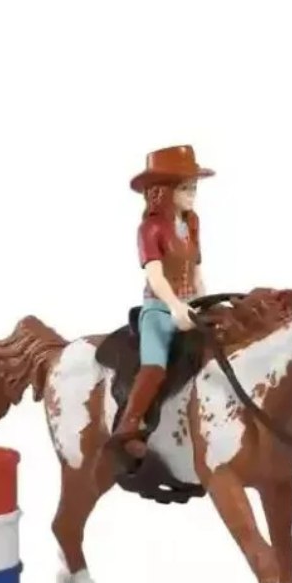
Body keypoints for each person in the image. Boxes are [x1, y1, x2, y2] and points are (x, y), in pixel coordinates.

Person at [110, 144, 214, 458]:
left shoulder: (192, 224)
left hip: (189, 307)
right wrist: (174, 306)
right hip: (159, 309)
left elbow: (196, 270)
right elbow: (155, 276)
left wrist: (205, 303)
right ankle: (129, 424)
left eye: (193, 187)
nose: (193, 193)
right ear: (164, 192)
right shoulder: (150, 228)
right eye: (185, 188)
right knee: (154, 366)